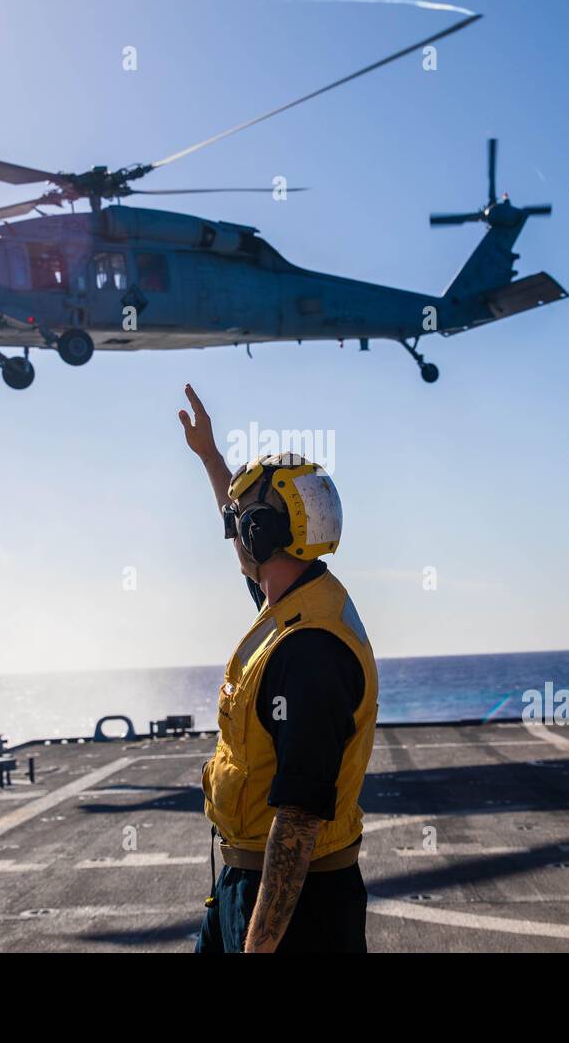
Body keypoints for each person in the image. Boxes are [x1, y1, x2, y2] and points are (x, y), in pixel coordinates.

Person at [178, 384, 378, 953]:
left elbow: (299, 818)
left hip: (294, 903)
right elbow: (245, 551)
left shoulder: (309, 650)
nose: (233, 533)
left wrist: (260, 945)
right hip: (246, 881)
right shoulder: (296, 602)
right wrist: (212, 459)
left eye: (241, 523)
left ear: (259, 534)